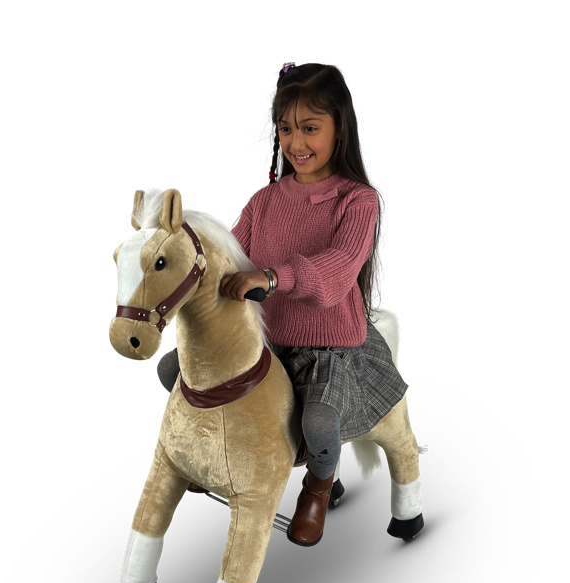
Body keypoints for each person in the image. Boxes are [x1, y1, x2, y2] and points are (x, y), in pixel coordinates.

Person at [160, 62, 407, 547]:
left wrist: (274, 277)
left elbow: (339, 269)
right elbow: (230, 255)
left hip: (326, 348)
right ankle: (216, 452)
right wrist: (188, 264)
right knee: (176, 371)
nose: (296, 142)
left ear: (340, 128)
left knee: (319, 419)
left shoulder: (358, 201)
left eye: (310, 128)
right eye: (286, 128)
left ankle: (319, 485)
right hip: (267, 341)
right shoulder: (265, 200)